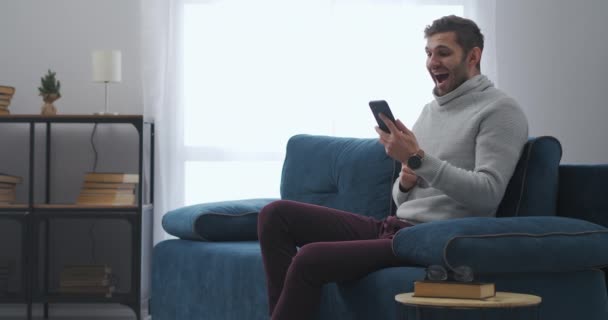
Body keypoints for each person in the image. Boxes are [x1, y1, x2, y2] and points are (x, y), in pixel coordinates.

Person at [257, 15, 528, 320]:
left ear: (473, 56)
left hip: (431, 239)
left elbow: (488, 194)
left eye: (443, 52)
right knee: (275, 215)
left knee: (310, 258)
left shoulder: (499, 111)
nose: (432, 62)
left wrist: (417, 160)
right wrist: (407, 180)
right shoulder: (430, 110)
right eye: (428, 53)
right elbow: (405, 200)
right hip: (395, 228)